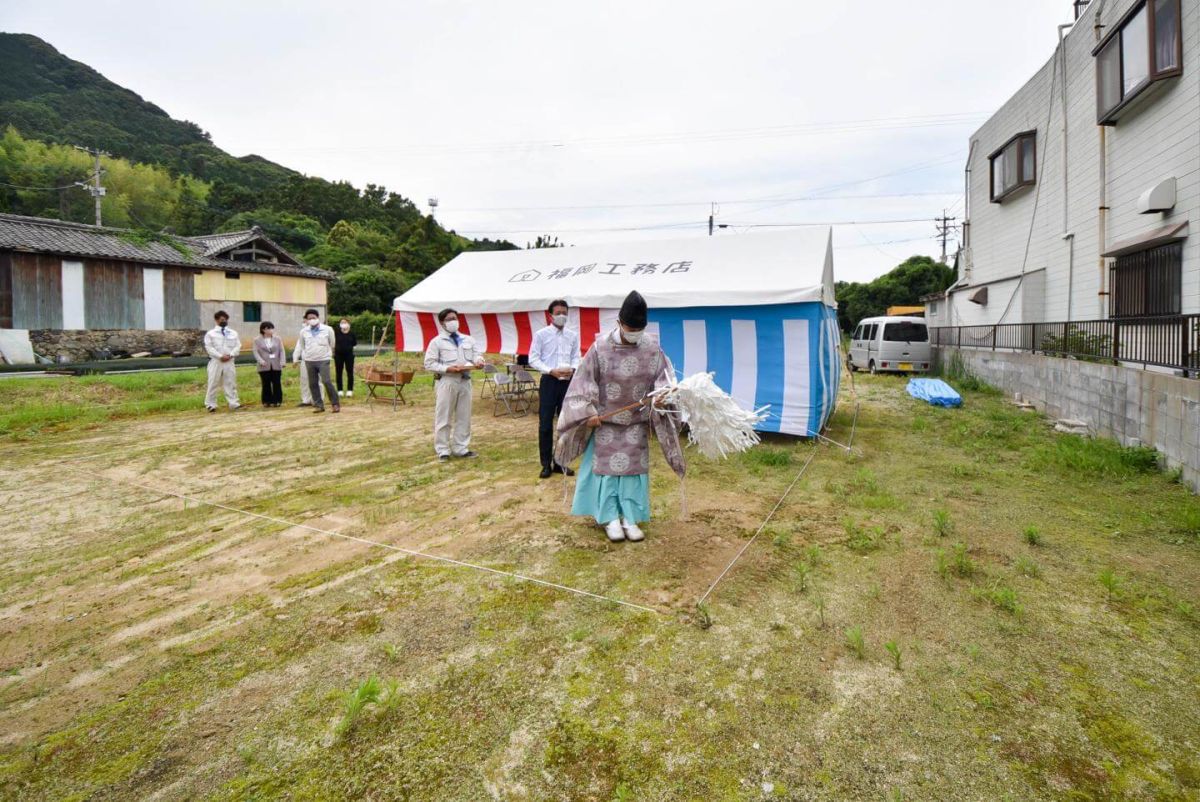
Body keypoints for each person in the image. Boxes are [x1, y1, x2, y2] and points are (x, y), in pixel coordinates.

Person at [555, 291, 685, 543]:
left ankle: (631, 517)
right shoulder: (600, 348)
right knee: (607, 472)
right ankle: (609, 517)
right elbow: (583, 381)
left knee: (634, 472)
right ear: (619, 323)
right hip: (605, 423)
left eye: (640, 328)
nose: (635, 332)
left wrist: (662, 396)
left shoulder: (652, 348)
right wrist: (587, 412)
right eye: (630, 327)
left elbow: (665, 378)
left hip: (635, 422)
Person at [423, 308, 485, 461]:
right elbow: (429, 363)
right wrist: (447, 368)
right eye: (450, 319)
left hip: (465, 380)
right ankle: (443, 449)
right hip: (447, 381)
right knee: (443, 416)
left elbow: (477, 355)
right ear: (442, 323)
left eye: (455, 318)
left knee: (464, 416)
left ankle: (461, 448)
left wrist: (479, 361)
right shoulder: (436, 342)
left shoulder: (468, 339)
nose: (453, 321)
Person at [529, 299, 580, 479]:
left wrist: (573, 368)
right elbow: (533, 359)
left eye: (564, 313)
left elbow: (576, 356)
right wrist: (551, 371)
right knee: (545, 424)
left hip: (567, 381)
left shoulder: (572, 335)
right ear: (550, 314)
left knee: (564, 424)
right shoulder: (541, 334)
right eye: (558, 313)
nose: (561, 316)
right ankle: (546, 464)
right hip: (549, 381)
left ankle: (560, 462)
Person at [297, 308, 339, 413]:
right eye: (309, 318)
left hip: (323, 359)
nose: (312, 319)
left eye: (314, 317)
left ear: (318, 318)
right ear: (306, 320)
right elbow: (303, 346)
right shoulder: (303, 332)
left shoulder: (328, 329)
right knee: (312, 383)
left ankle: (335, 404)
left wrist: (329, 354)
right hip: (309, 360)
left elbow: (332, 343)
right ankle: (319, 405)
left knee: (326, 381)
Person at [203, 310, 241, 412]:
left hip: (229, 361)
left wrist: (231, 355)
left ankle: (233, 403)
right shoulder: (210, 334)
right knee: (213, 383)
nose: (223, 320)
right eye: (220, 319)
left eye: (224, 319)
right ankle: (210, 404)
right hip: (216, 362)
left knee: (230, 382)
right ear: (216, 320)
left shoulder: (233, 333)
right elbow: (209, 348)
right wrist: (220, 356)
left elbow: (238, 346)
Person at [253, 321, 284, 407]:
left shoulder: (277, 339)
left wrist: (282, 361)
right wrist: (261, 361)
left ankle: (277, 400)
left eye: (271, 328)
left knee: (276, 383)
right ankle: (266, 401)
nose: (271, 330)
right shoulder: (257, 340)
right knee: (265, 384)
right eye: (268, 328)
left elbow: (282, 350)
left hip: (276, 364)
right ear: (263, 329)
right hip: (264, 365)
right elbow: (255, 352)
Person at [334, 317, 357, 398]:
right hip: (338, 355)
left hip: (349, 355)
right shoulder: (336, 332)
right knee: (339, 372)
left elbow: (354, 343)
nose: (343, 324)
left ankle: (349, 390)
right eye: (342, 322)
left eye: (345, 322)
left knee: (350, 372)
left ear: (348, 324)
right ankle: (339, 390)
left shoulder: (352, 333)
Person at [293, 317, 313, 407]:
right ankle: (306, 400)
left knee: (316, 381)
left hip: (317, 360)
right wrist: (295, 359)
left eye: (305, 321)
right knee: (304, 380)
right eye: (303, 321)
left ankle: (316, 399)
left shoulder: (321, 331)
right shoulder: (303, 333)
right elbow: (298, 347)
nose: (304, 322)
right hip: (305, 360)